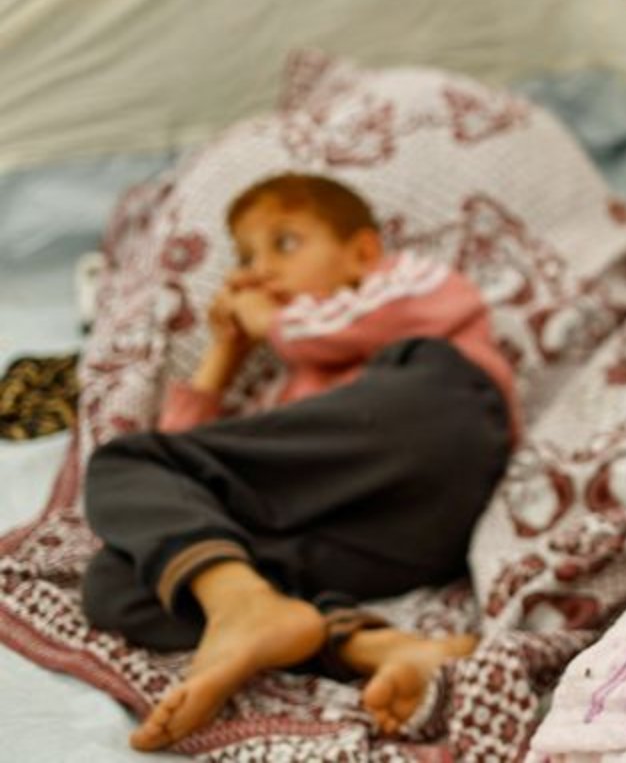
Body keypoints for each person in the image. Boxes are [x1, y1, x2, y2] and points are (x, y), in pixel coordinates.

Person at [81, 173, 516, 751]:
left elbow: (160, 459)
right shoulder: (289, 388)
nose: (259, 271)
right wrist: (226, 354)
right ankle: (353, 641)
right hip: (395, 542)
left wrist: (272, 325)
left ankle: (247, 608)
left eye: (285, 244)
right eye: (247, 257)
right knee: (118, 581)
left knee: (122, 460)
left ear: (361, 251)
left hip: (443, 428)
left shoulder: (404, 284)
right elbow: (181, 472)